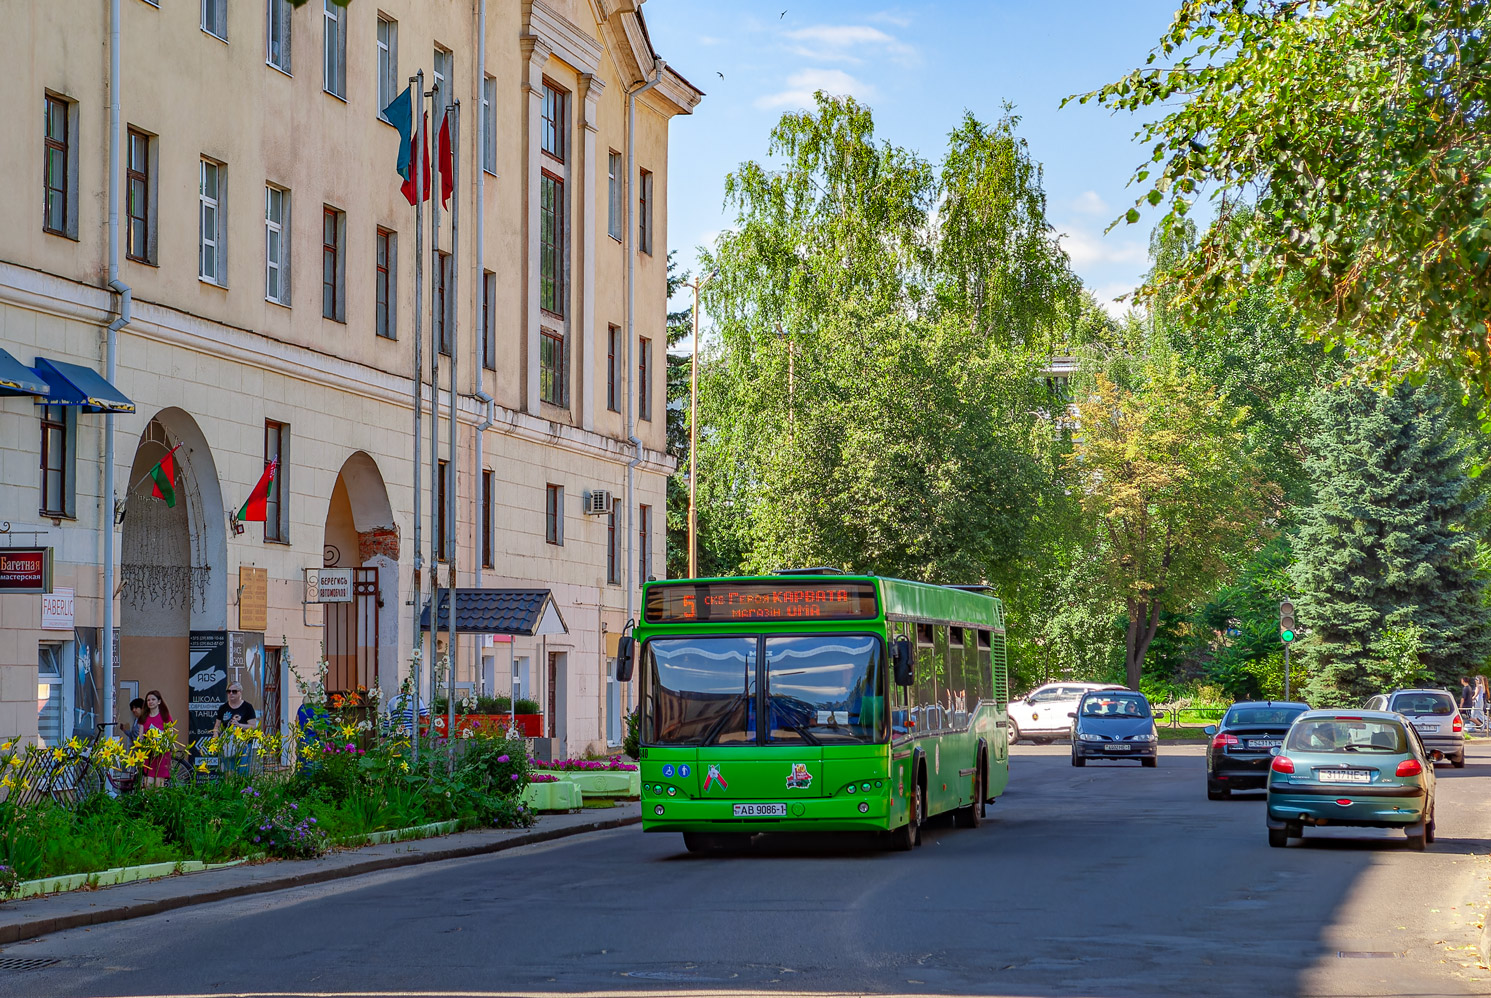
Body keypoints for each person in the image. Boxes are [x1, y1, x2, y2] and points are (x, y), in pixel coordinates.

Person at [140, 690, 172, 788]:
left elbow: (170, 734)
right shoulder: (144, 717)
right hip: (149, 753)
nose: (150, 702)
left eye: (153, 699)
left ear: (159, 701)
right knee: (148, 784)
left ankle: (159, 802)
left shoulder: (165, 716)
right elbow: (140, 736)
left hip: (161, 753)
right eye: (148, 700)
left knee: (159, 783)